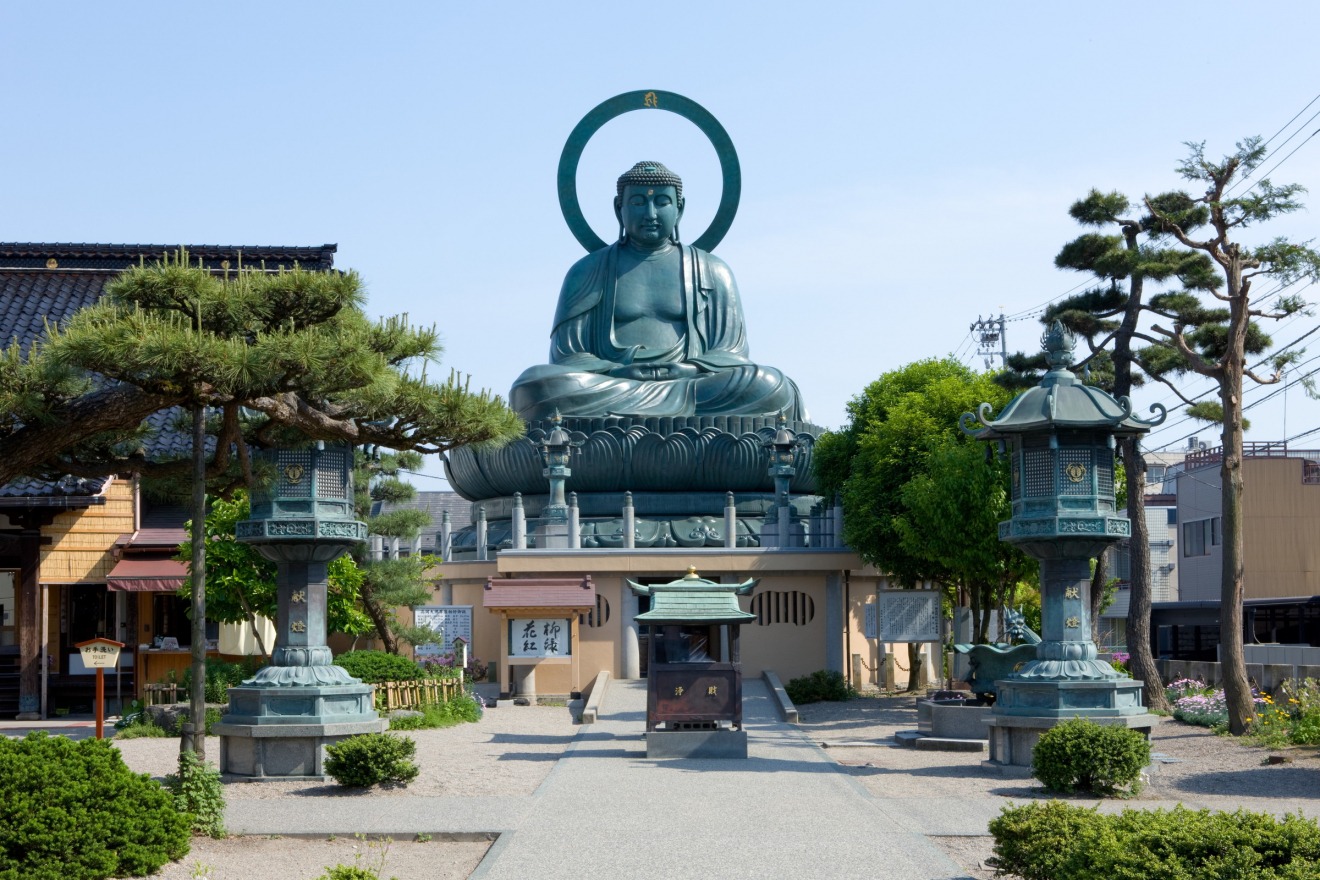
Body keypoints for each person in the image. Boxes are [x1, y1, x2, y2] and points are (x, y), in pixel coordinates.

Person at [509, 161, 806, 420]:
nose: (650, 212)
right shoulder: (587, 271)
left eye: (662, 201)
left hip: (692, 386)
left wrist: (689, 370)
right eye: (638, 202)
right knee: (536, 385)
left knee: (770, 384)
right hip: (614, 385)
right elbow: (567, 357)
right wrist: (616, 372)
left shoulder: (714, 271)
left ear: (680, 208)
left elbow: (732, 354)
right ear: (618, 208)